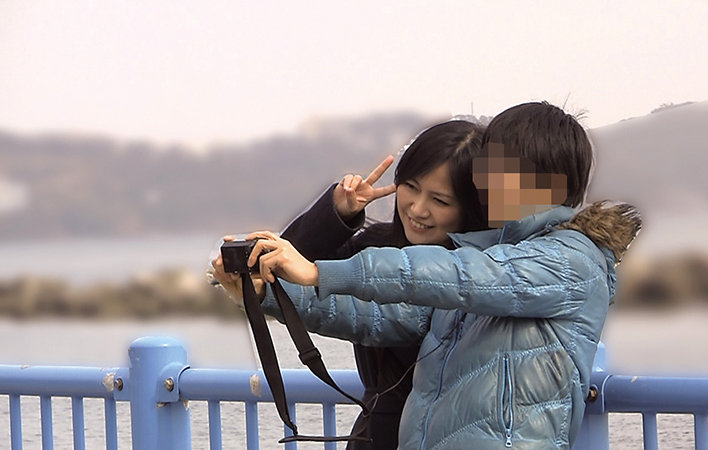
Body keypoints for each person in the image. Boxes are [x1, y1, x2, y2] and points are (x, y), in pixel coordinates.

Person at [219, 101, 641, 448]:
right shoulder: (486, 257)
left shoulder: (568, 260)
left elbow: (459, 276)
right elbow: (377, 315)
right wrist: (262, 295)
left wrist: (316, 272)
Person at [213, 119, 486, 449]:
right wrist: (338, 214)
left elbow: (362, 312)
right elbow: (290, 267)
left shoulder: (483, 276)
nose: (417, 208)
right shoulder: (375, 246)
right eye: (411, 187)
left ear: (471, 207)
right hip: (375, 435)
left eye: (440, 201)